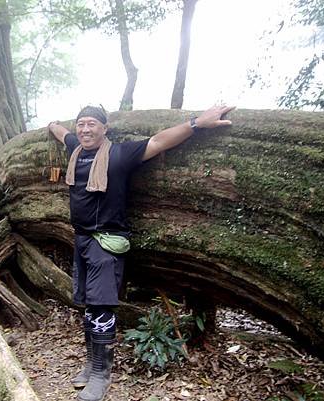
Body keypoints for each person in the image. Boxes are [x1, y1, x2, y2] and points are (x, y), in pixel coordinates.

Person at [48, 104, 234, 401]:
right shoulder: (76, 149)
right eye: (81, 124)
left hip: (106, 242)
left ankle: (101, 375)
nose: (85, 129)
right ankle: (90, 364)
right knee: (86, 305)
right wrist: (52, 124)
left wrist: (197, 123)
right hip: (81, 240)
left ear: (104, 128)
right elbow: (63, 133)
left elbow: (158, 141)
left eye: (92, 124)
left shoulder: (118, 155)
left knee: (101, 307)